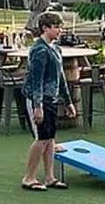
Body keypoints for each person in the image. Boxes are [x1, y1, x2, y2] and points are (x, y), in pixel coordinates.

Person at [21, 12, 76, 192]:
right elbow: (36, 80)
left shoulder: (55, 49)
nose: (60, 30)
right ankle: (29, 177)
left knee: (50, 138)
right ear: (45, 28)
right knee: (41, 138)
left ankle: (50, 176)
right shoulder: (39, 50)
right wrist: (38, 106)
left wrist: (68, 101)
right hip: (39, 99)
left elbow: (60, 77)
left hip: (51, 99)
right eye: (56, 27)